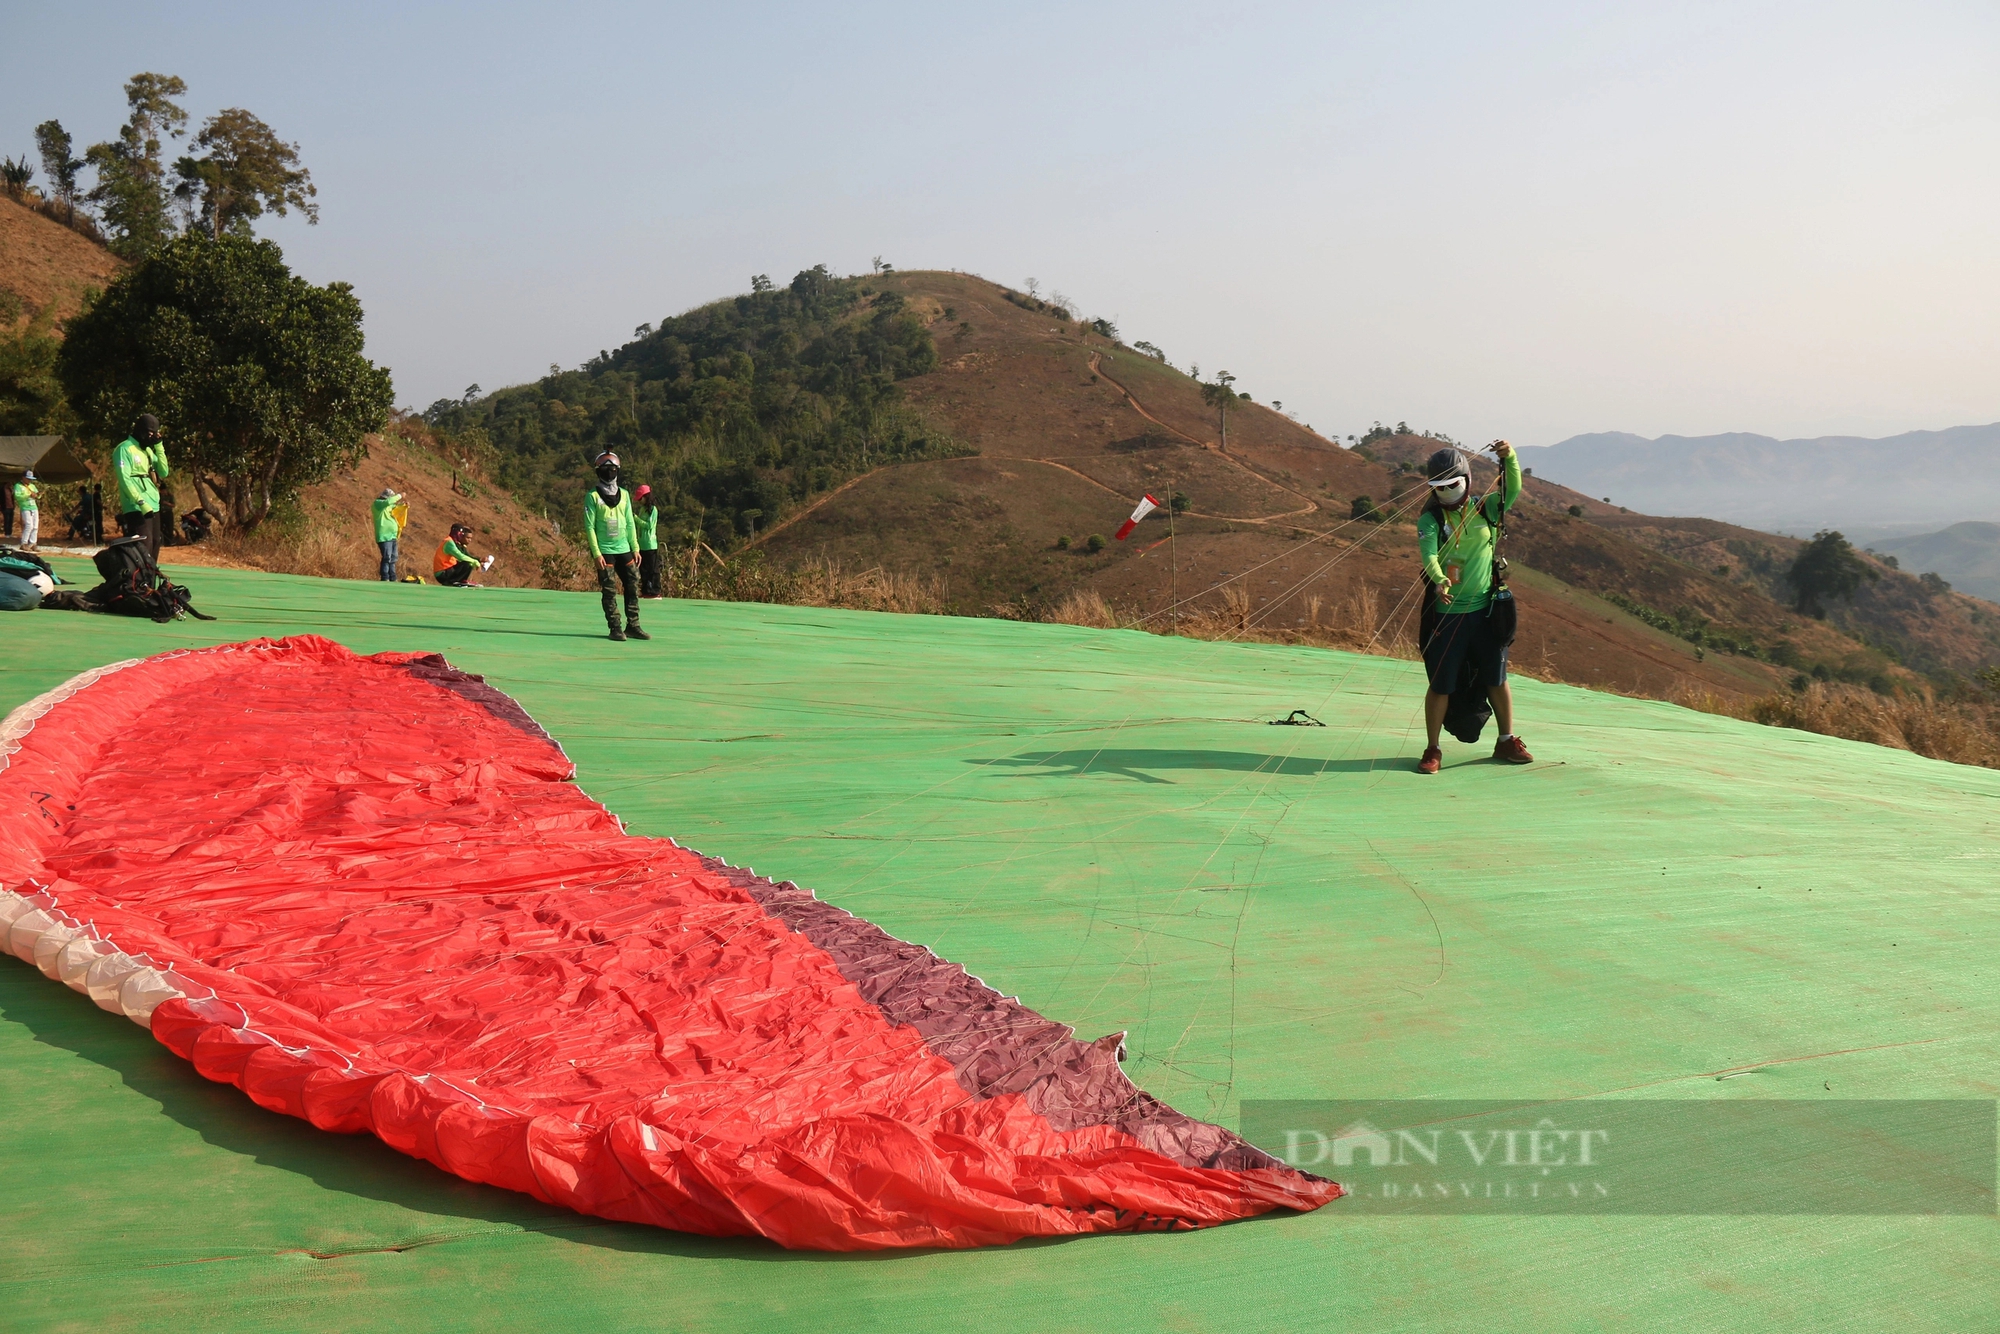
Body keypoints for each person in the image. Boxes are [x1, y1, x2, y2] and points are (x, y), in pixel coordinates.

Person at [1416, 441, 1532, 773]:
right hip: (1447, 616)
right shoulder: (1430, 520)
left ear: (1466, 479)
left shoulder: (1488, 509)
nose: (1447, 491)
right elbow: (1429, 555)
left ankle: (1506, 739)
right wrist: (1438, 579)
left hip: (1486, 613)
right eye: (1439, 487)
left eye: (1453, 484)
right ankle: (1433, 749)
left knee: (1497, 677)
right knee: (1441, 683)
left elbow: (1514, 488)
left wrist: (1509, 457)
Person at [585, 451, 648, 641]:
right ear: (598, 471)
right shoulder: (593, 496)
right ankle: (615, 628)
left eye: (613, 469)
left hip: (624, 549)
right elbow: (589, 527)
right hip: (605, 552)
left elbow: (629, 522)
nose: (610, 472)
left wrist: (635, 547)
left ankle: (633, 625)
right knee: (609, 589)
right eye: (606, 469)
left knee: (633, 584)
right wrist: (596, 553)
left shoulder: (625, 495)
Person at [114, 413, 172, 558]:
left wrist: (159, 446)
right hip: (136, 506)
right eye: (150, 433)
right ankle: (139, 579)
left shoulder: (147, 451)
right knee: (144, 544)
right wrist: (140, 502)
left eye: (155, 434)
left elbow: (164, 471)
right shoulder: (124, 449)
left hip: (153, 503)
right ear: (141, 431)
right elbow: (124, 479)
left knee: (155, 542)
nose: (152, 437)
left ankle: (149, 579)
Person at [371, 487, 406, 581]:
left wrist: (403, 505)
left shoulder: (387, 506)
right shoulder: (378, 504)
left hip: (392, 536)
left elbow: (395, 507)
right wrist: (399, 496)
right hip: (384, 536)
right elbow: (388, 502)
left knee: (393, 558)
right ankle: (385, 577)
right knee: (387, 557)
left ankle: (393, 577)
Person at [635, 484, 663, 598]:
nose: (639, 501)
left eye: (640, 498)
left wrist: (636, 519)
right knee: (643, 570)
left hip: (650, 545)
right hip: (641, 544)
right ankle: (646, 591)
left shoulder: (653, 510)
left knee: (653, 570)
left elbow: (649, 525)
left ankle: (655, 591)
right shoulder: (642, 509)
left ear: (646, 497)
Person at [12, 470, 39, 550]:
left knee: (35, 526)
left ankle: (33, 543)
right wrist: (28, 495)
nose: (29, 480)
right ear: (23, 477)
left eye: (31, 479)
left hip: (34, 507)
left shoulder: (32, 486)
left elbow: (37, 495)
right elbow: (17, 496)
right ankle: (24, 543)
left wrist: (37, 495)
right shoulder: (18, 486)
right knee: (29, 525)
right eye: (28, 478)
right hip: (25, 507)